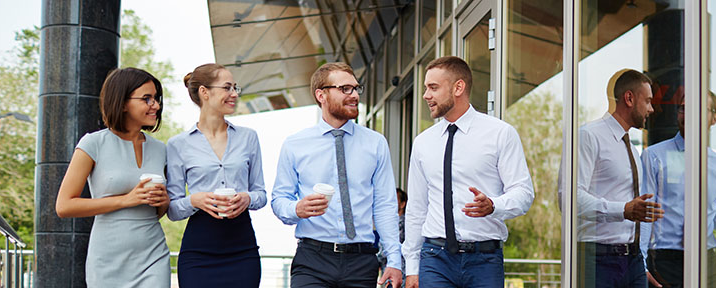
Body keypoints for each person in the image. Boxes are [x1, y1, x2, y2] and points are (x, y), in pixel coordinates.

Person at [403, 56, 535, 288]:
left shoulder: (500, 134)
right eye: (425, 88)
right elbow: (417, 208)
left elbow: (523, 193)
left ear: (458, 87)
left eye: (433, 87)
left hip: (484, 260)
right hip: (435, 258)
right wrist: (412, 267)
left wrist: (494, 205)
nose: (425, 95)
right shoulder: (423, 142)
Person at [272, 62, 402, 288]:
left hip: (361, 262)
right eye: (345, 89)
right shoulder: (295, 144)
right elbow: (279, 199)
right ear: (321, 95)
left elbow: (384, 205)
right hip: (312, 259)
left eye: (356, 89)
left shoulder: (376, 143)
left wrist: (394, 259)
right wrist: (296, 209)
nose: (354, 95)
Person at [54, 67, 171, 287]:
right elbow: (64, 206)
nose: (155, 105)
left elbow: (157, 212)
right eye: (146, 98)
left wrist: (164, 202)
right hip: (107, 259)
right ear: (123, 102)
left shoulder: (161, 149)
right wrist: (126, 200)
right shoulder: (93, 143)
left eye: (156, 99)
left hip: (153, 255)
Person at [166, 63, 267, 287]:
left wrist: (247, 198)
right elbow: (171, 210)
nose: (234, 94)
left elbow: (261, 194)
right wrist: (194, 200)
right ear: (205, 92)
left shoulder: (248, 137)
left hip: (242, 250)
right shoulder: (177, 145)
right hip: (198, 254)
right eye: (227, 87)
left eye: (235, 88)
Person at [564, 69, 663, 288]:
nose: (651, 109)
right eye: (648, 101)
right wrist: (623, 210)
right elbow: (569, 198)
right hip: (597, 260)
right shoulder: (588, 136)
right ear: (629, 98)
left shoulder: (633, 151)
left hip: (633, 261)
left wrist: (642, 262)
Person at [644, 92, 716, 288]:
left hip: (707, 259)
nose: (689, 114)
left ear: (714, 118)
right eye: (684, 108)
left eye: (699, 109)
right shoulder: (654, 156)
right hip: (666, 260)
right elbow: (643, 216)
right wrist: (641, 263)